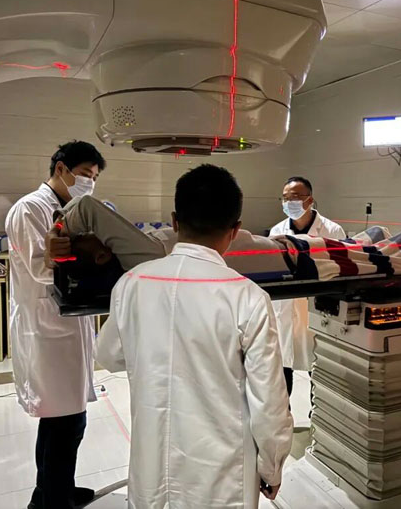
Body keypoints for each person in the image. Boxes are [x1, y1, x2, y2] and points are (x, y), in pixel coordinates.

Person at [95, 164, 293, 509]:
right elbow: (269, 404)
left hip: (152, 470)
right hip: (221, 478)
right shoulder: (247, 297)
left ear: (174, 221)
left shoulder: (132, 283)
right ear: (235, 230)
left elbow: (108, 355)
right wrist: (271, 467)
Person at [5, 140, 106, 509]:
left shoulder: (70, 210)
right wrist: (85, 262)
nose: (89, 183)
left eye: (94, 177)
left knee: (60, 421)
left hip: (68, 325)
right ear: (61, 169)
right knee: (66, 424)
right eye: (84, 174)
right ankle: (54, 500)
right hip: (45, 329)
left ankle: (50, 491)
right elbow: (39, 267)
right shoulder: (29, 209)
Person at [269, 177, 345, 397]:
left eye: (294, 197)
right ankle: (284, 413)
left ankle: (317, 412)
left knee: (318, 367)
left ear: (309, 200)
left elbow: (342, 271)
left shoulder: (332, 231)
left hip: (319, 309)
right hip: (285, 309)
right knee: (282, 368)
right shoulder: (277, 231)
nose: (288, 202)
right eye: (285, 198)